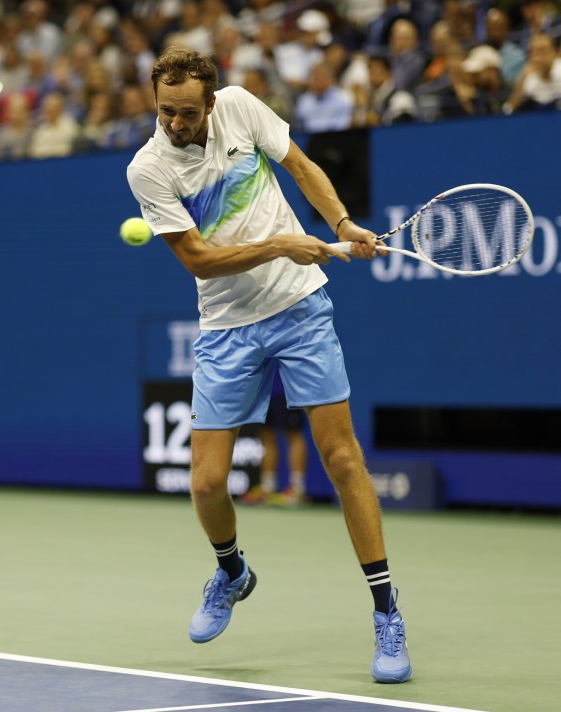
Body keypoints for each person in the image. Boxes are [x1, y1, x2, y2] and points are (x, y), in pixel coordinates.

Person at [124, 46, 411, 684]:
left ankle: (388, 614)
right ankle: (232, 572)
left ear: (211, 100)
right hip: (226, 328)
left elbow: (303, 168)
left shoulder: (242, 109)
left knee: (342, 459)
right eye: (166, 112)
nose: (176, 123)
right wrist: (281, 243)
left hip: (300, 310)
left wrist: (340, 220)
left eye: (188, 113)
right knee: (205, 482)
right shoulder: (148, 169)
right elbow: (198, 259)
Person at [243, 374, 309, 506]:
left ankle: (297, 489)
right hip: (263, 388)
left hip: (289, 387)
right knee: (266, 436)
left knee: (293, 434)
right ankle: (267, 488)